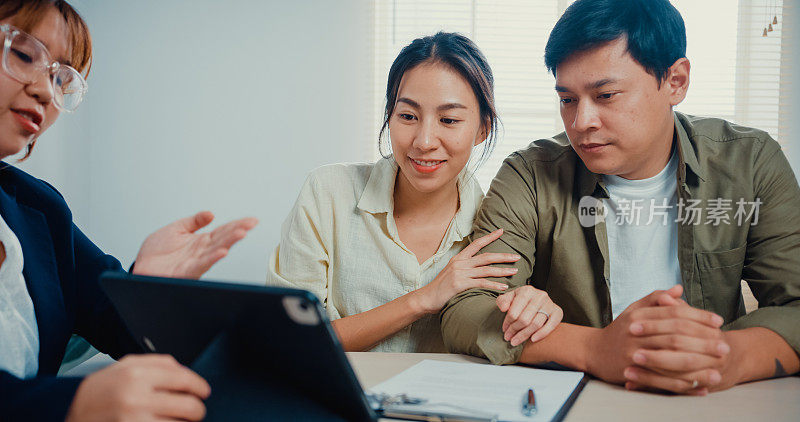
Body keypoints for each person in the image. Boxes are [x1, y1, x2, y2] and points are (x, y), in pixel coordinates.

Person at [441, 0, 800, 396]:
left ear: (675, 81)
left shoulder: (750, 162)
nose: (581, 123)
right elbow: (465, 309)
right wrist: (593, 349)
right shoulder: (529, 174)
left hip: (709, 402)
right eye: (567, 99)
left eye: (606, 95)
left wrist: (725, 356)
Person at [0, 1, 258, 420]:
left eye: (61, 79)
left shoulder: (39, 207)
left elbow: (114, 326)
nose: (47, 92)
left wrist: (146, 288)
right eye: (25, 55)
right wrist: (70, 404)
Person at [268, 32, 562, 353]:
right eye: (407, 116)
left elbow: (505, 333)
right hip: (337, 401)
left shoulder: (499, 228)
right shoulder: (328, 193)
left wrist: (537, 306)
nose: (424, 141)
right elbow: (291, 339)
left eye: (449, 120)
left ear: (483, 129)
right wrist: (423, 299)